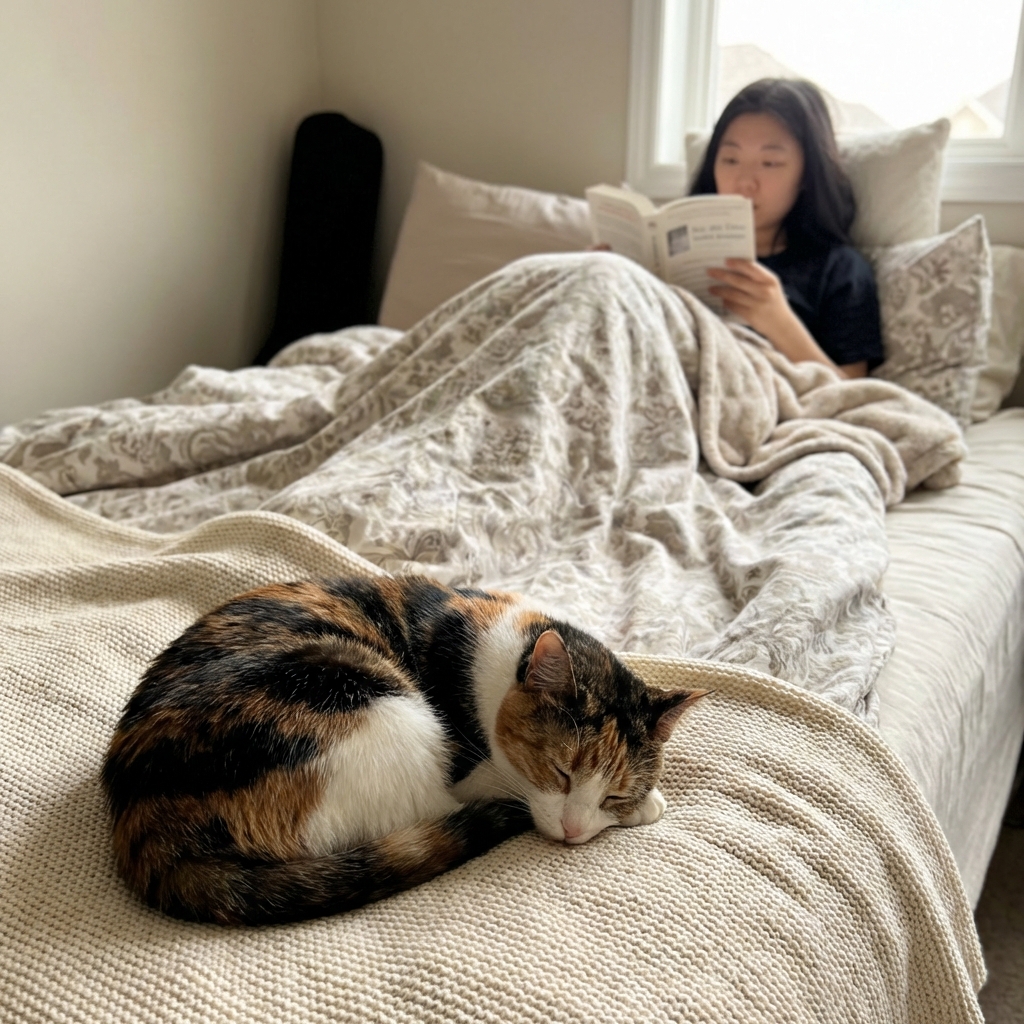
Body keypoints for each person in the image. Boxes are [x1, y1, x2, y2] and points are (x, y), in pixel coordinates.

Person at [690, 78, 883, 379]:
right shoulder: (676, 248)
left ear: (807, 174)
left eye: (769, 163)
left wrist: (778, 322)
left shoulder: (840, 270)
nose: (744, 182)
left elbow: (851, 398)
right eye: (730, 160)